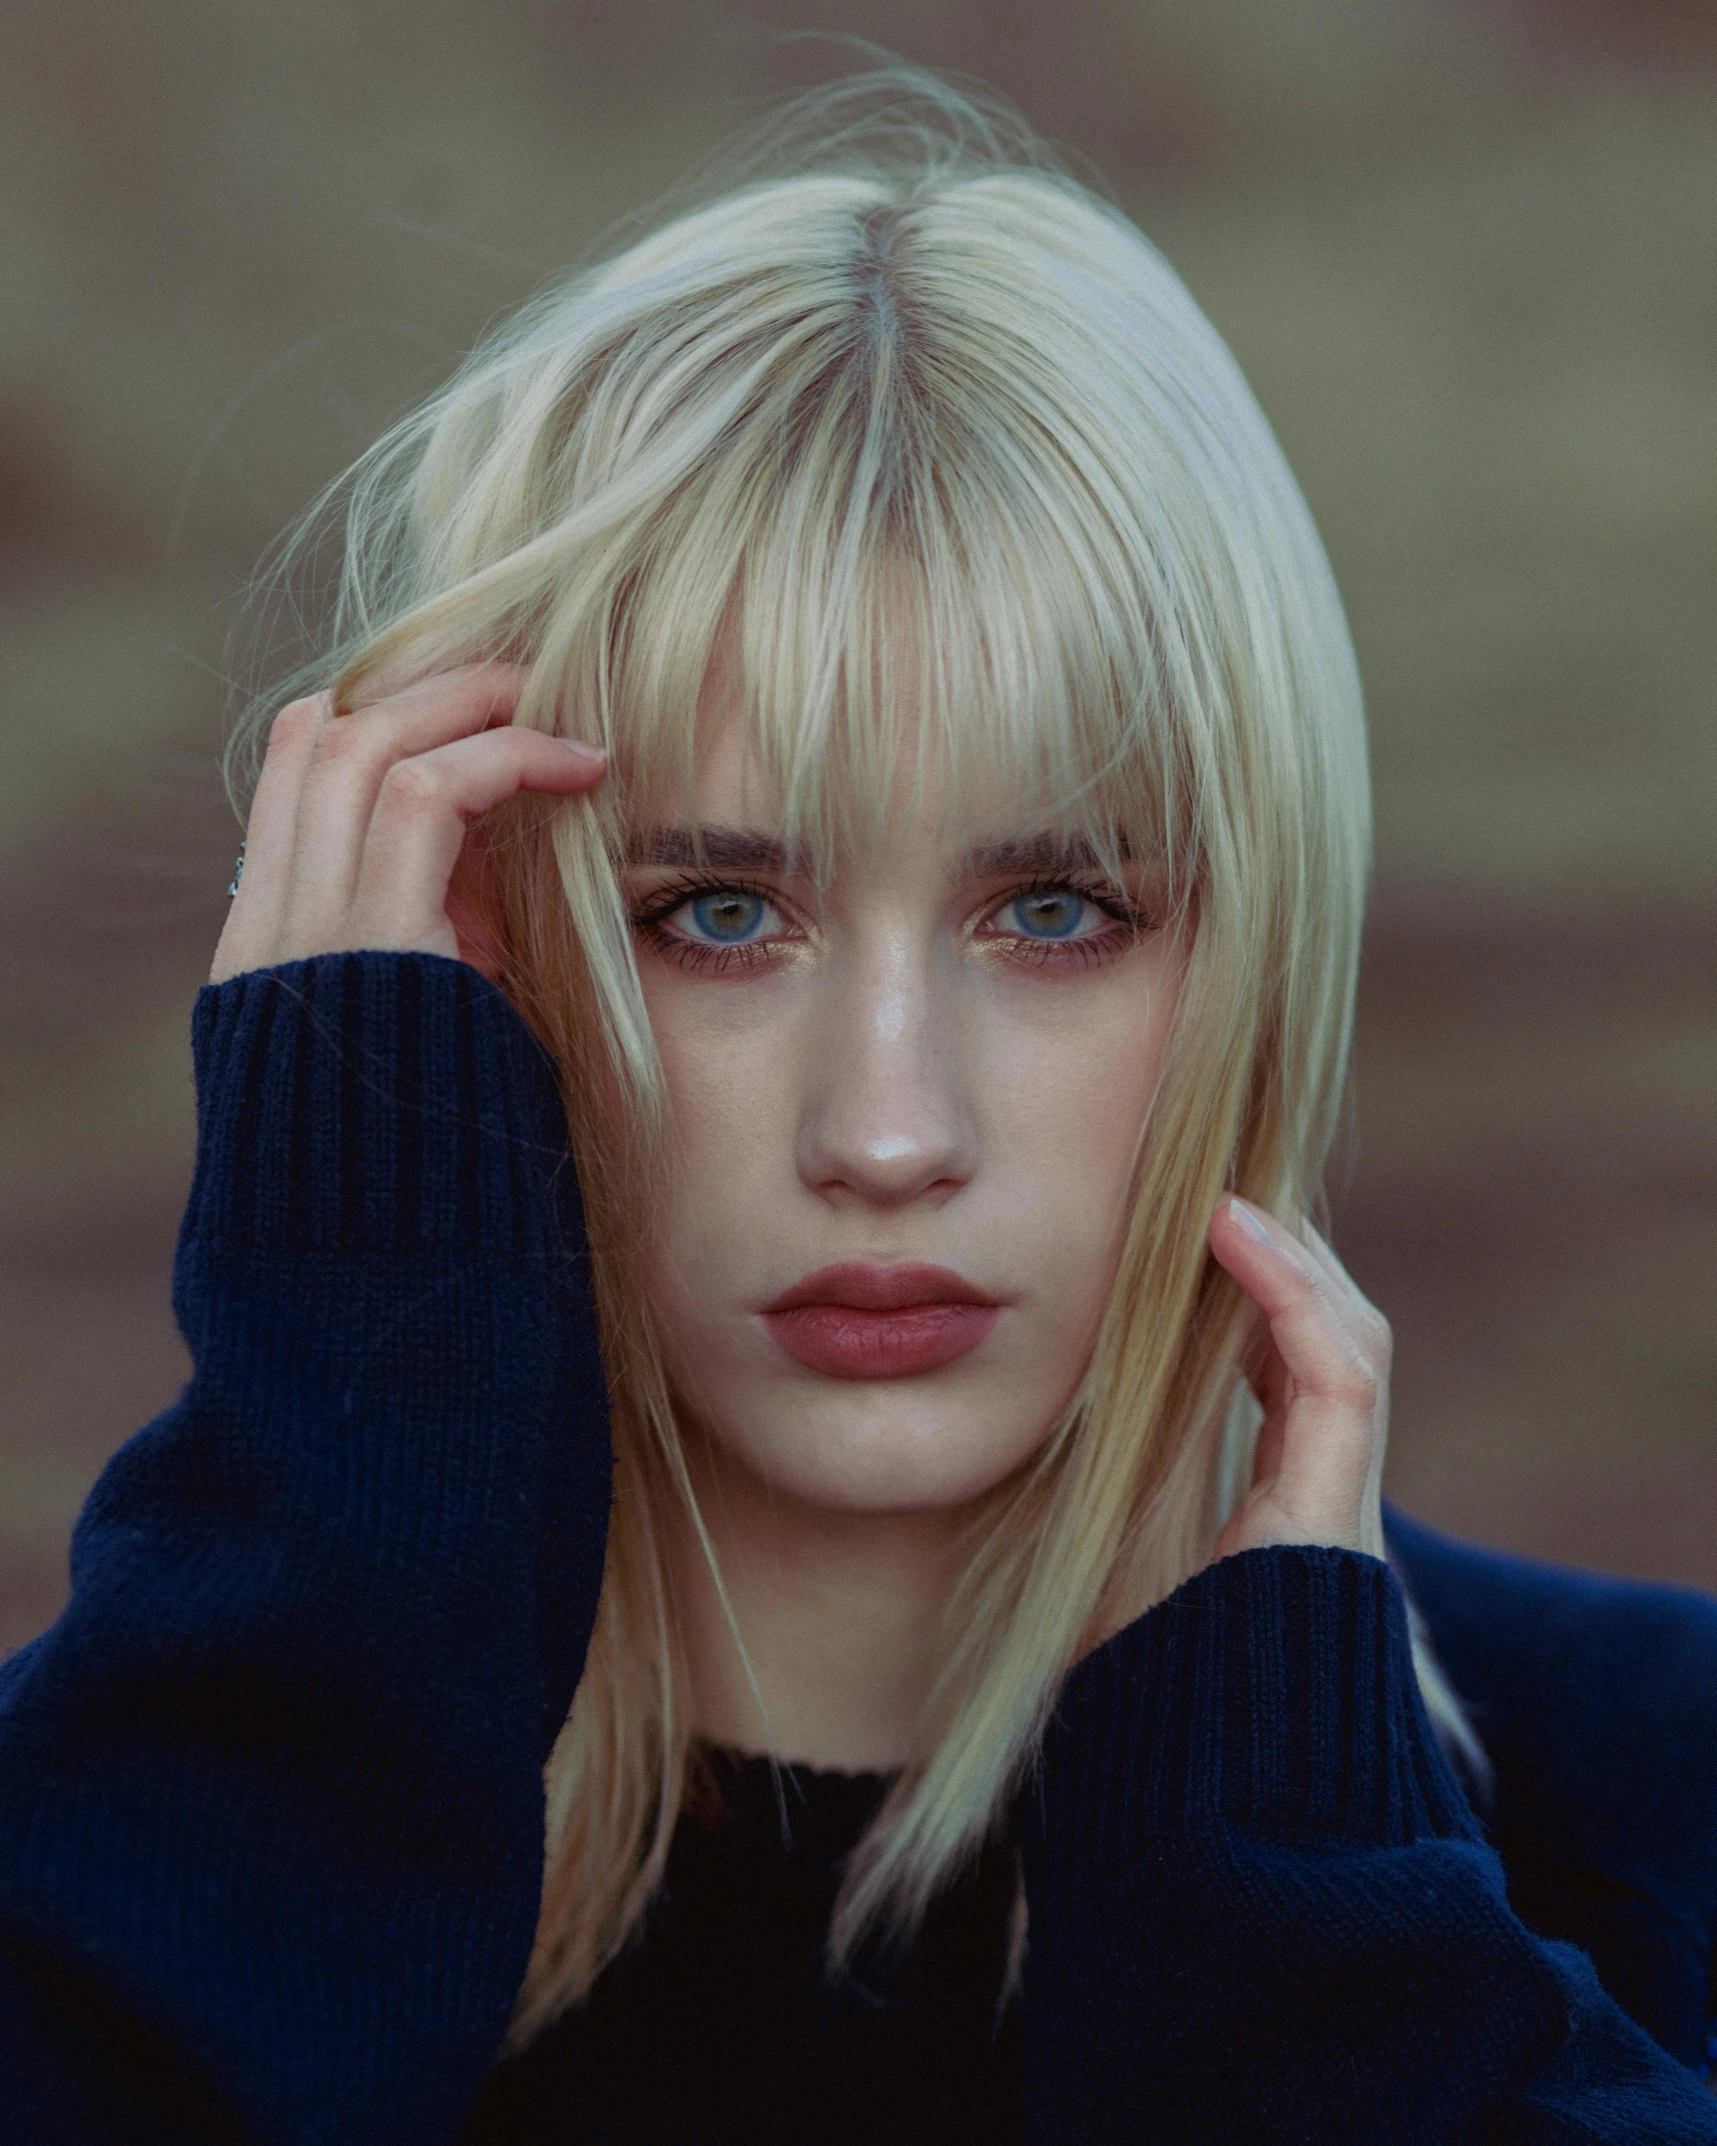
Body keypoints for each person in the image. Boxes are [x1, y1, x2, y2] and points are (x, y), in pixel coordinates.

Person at [3, 70, 1714, 2146]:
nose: (889, 1129)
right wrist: (335, 1532)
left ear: (1261, 943)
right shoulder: (132, 1828)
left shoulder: (1657, 1787)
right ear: (487, 944)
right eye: (717, 909)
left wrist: (1316, 1937)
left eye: (1060, 905)